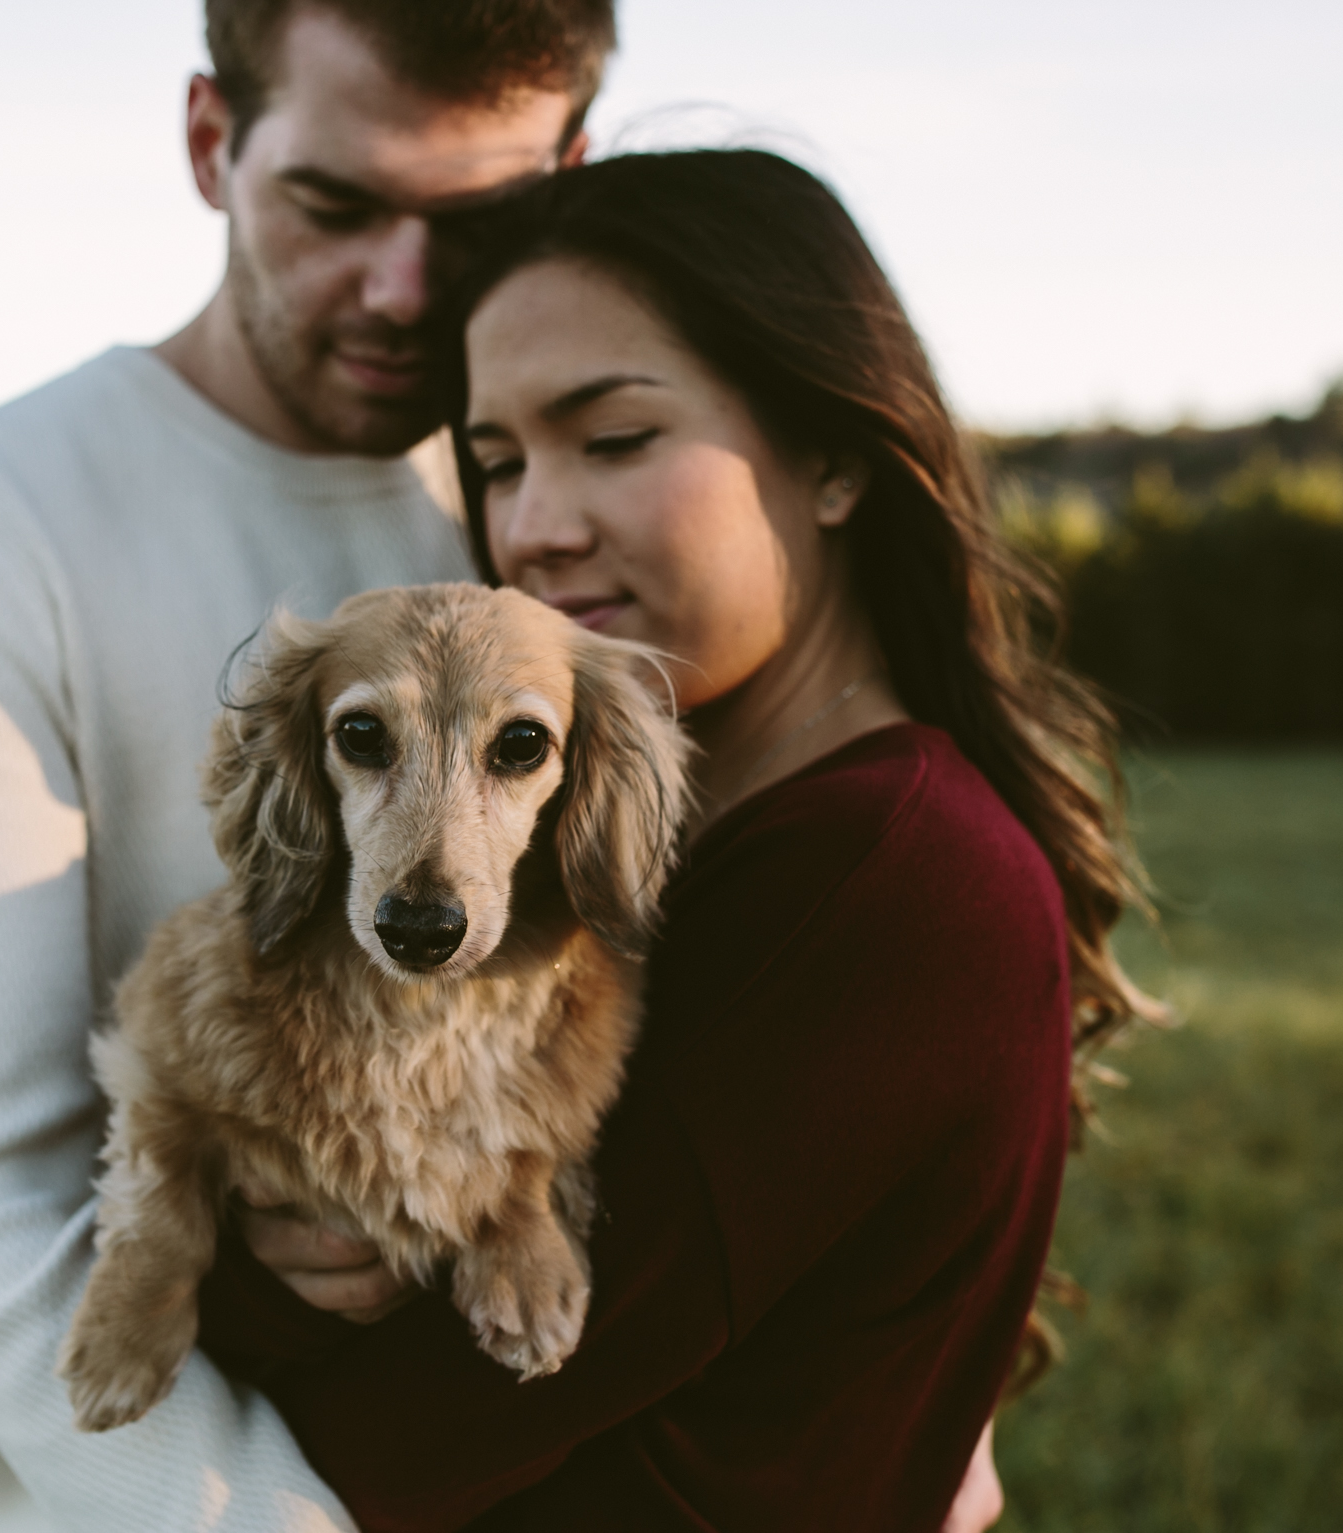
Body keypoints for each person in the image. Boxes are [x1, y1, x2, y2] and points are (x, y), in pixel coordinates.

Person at [196, 149, 1161, 1531]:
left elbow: (409, 1429)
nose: (533, 529)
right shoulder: (593, 846)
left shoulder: (884, 874)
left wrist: (249, 1281)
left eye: (616, 439)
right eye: (497, 463)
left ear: (832, 458)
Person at [0, 3, 615, 1528]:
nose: (403, 288)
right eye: (333, 203)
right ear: (209, 142)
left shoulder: (591, 511)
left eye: (477, 219)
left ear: (572, 176)